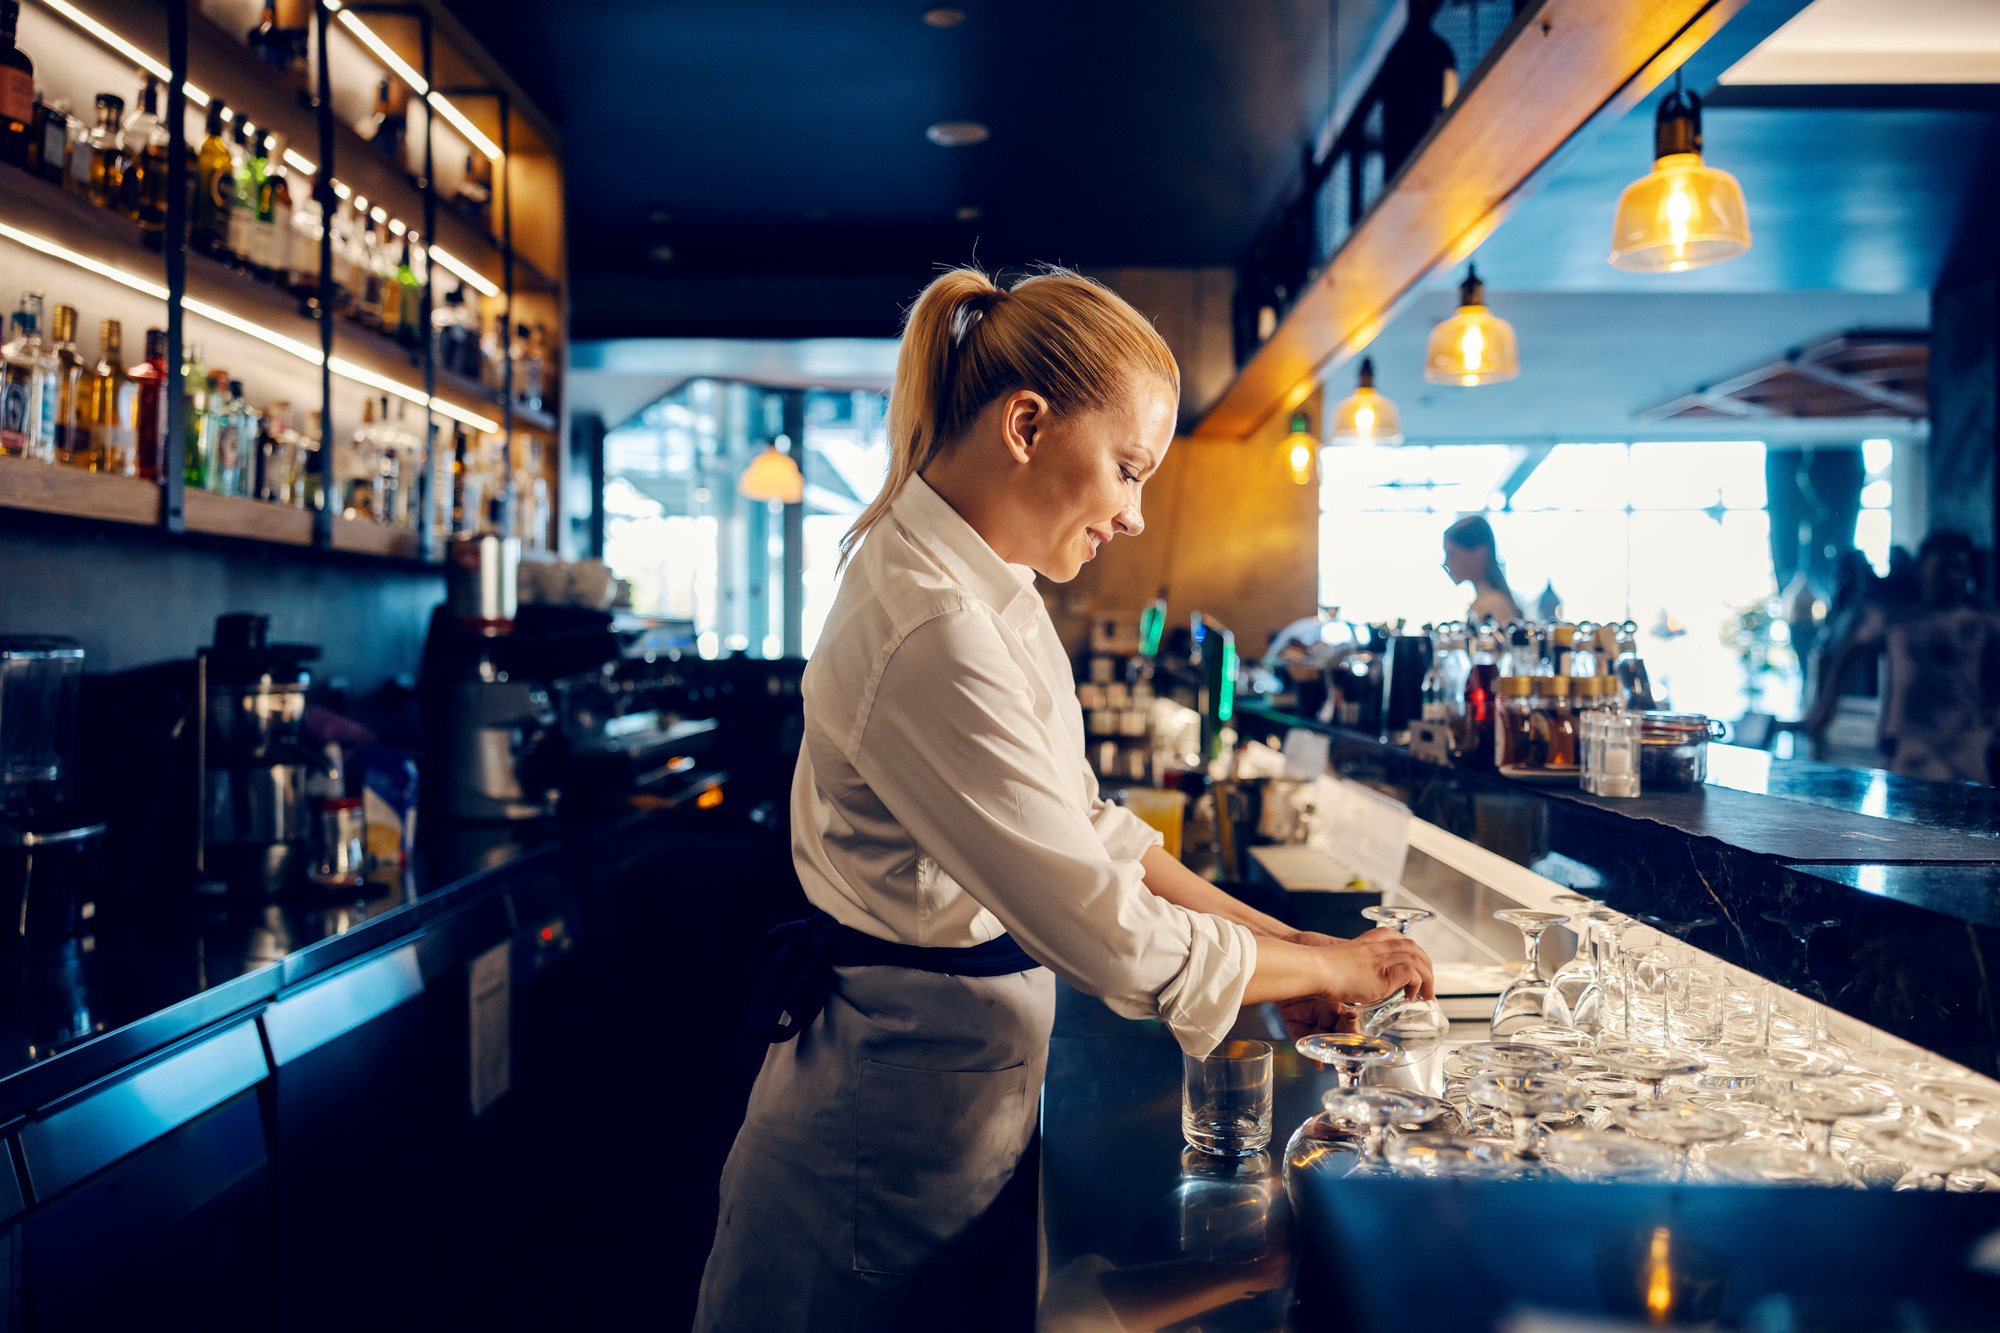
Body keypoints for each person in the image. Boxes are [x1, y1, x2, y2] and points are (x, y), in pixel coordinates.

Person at [694, 266, 1434, 1331]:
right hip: (867, 1174)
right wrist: (1320, 964)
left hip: (948, 1125)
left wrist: (1279, 942)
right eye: (1128, 469)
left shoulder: (991, 588)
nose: (1134, 516)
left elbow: (1092, 830)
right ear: (1026, 424)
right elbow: (1113, 936)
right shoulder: (929, 625)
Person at [1807, 531, 2000, 783]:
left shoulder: (1984, 620)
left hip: (1966, 742)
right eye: (1942, 568)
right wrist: (1825, 706)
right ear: (1922, 568)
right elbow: (1850, 651)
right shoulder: (1895, 617)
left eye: (1959, 568)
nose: (1952, 577)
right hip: (1911, 742)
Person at [1442, 514, 1523, 623]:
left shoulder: (1493, 605)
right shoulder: (1487, 602)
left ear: (1479, 552)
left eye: (1452, 554)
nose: (1446, 563)